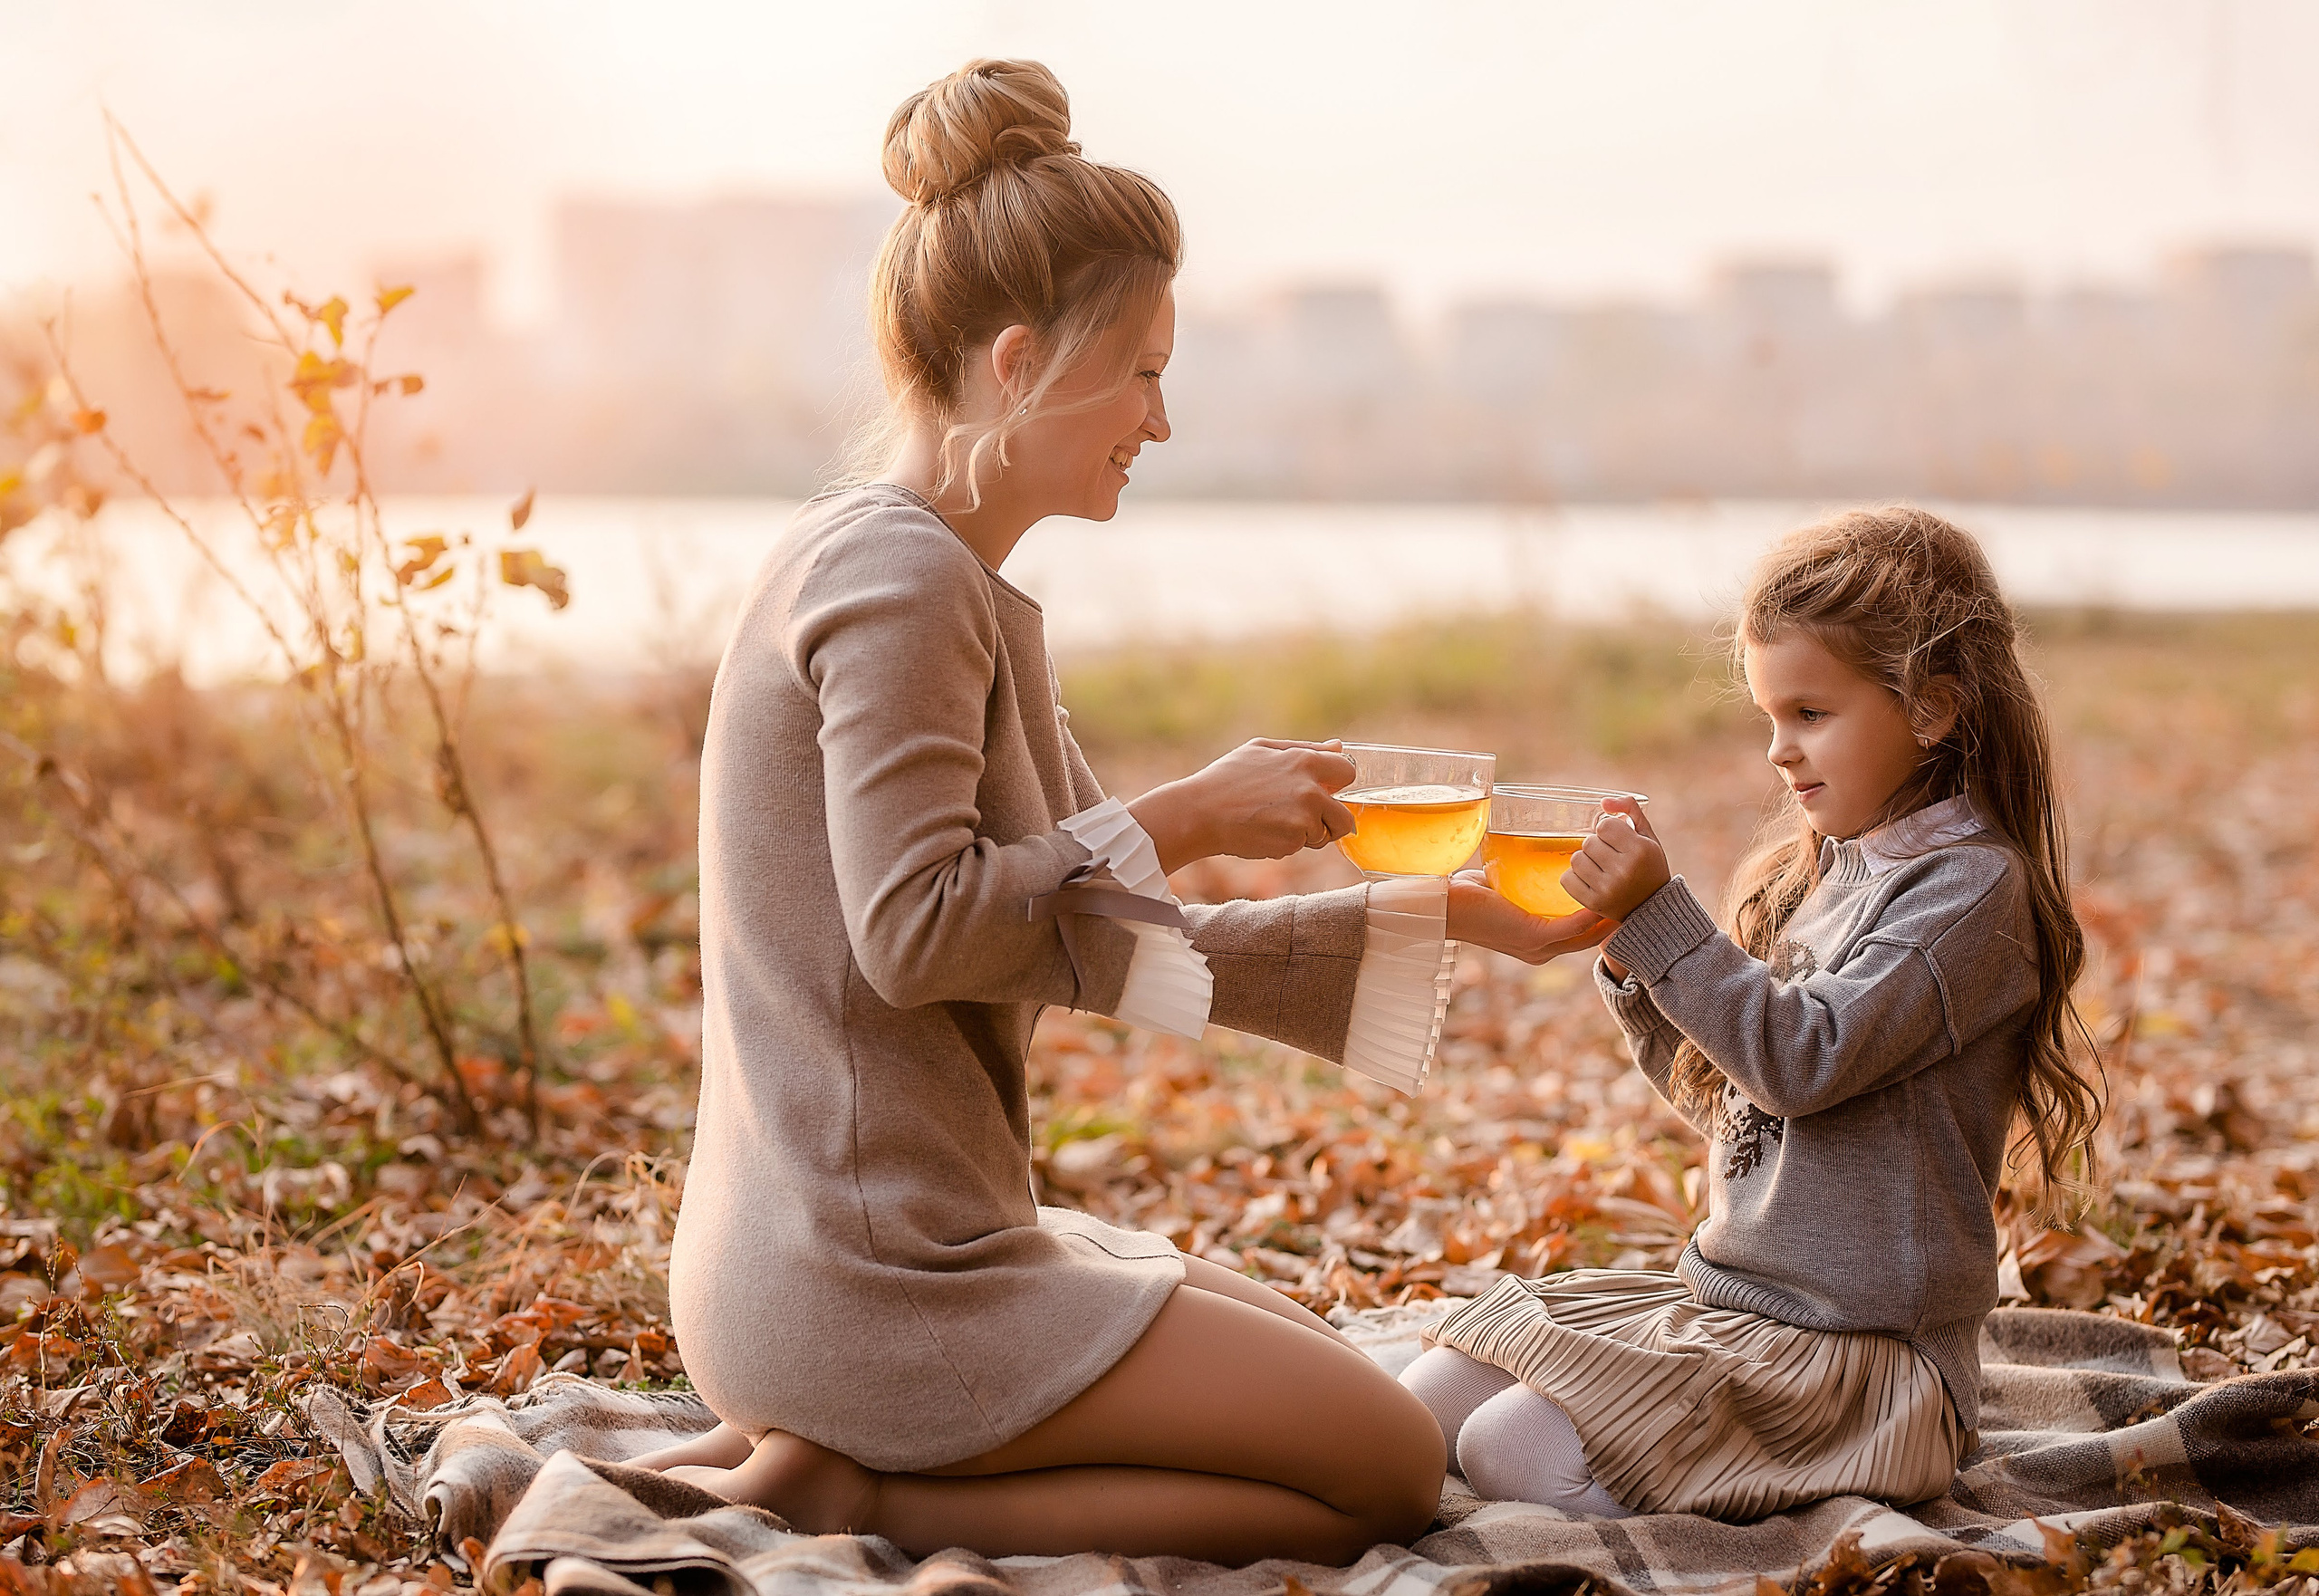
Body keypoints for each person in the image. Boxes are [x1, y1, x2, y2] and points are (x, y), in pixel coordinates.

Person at [630, 60, 1604, 1564]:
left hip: (882, 1244)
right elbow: (918, 931)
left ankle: (856, 1451)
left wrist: (1448, 916)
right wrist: (1191, 808)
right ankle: (864, 1490)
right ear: (1021, 363)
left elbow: (1112, 936)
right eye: (1141, 370)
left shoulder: (939, 577)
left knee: (1333, 1378)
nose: (1161, 415)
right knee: (1393, 1466)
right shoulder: (899, 580)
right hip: (862, 1277)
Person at [1401, 508, 2105, 1521]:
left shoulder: (1967, 894)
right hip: (1733, 1301)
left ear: (1933, 709)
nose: (1780, 751)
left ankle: (1790, 1469)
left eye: (1810, 714)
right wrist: (1631, 956)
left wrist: (1667, 923)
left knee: (1507, 1447)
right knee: (1428, 1399)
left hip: (1862, 1356)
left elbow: (1801, 1062)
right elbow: (1741, 1106)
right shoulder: (1828, 874)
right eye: (1770, 718)